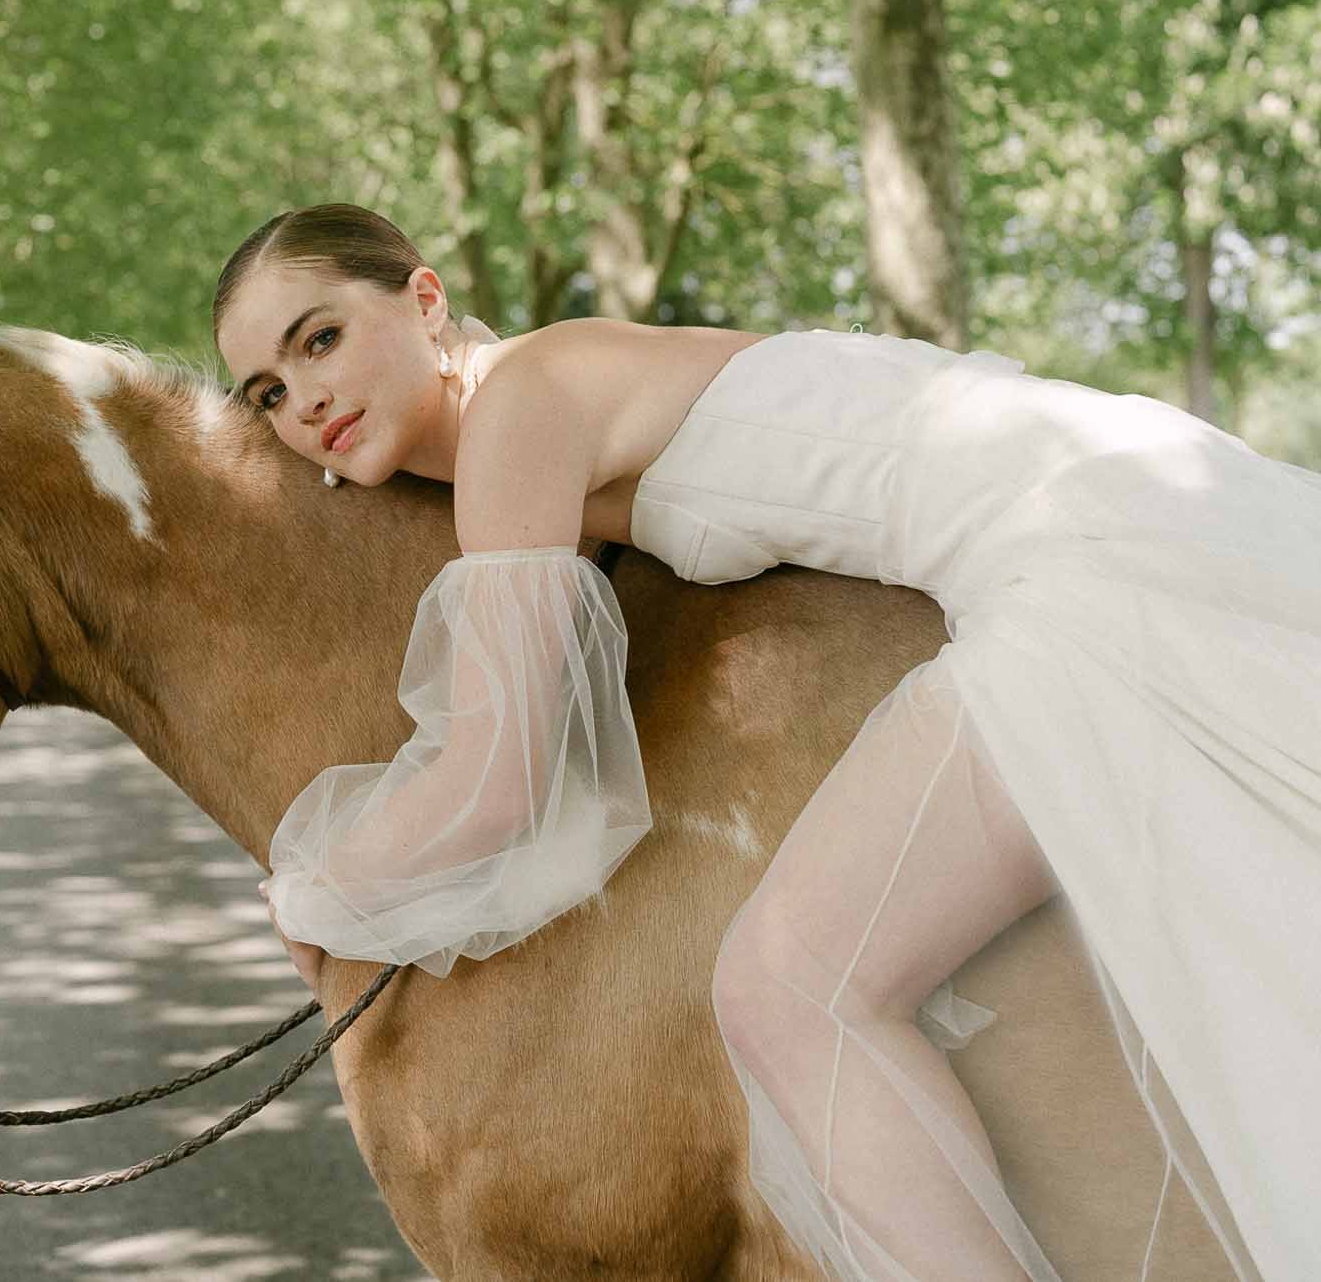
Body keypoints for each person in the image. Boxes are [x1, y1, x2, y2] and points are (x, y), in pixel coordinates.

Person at [210, 202, 1321, 1281]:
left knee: (788, 988)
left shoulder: (520, 409)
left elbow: (501, 780)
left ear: (424, 299)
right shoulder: (537, 405)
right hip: (1096, 502)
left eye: (320, 339)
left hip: (1082, 557)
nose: (305, 398)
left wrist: (315, 890)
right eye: (266, 390)